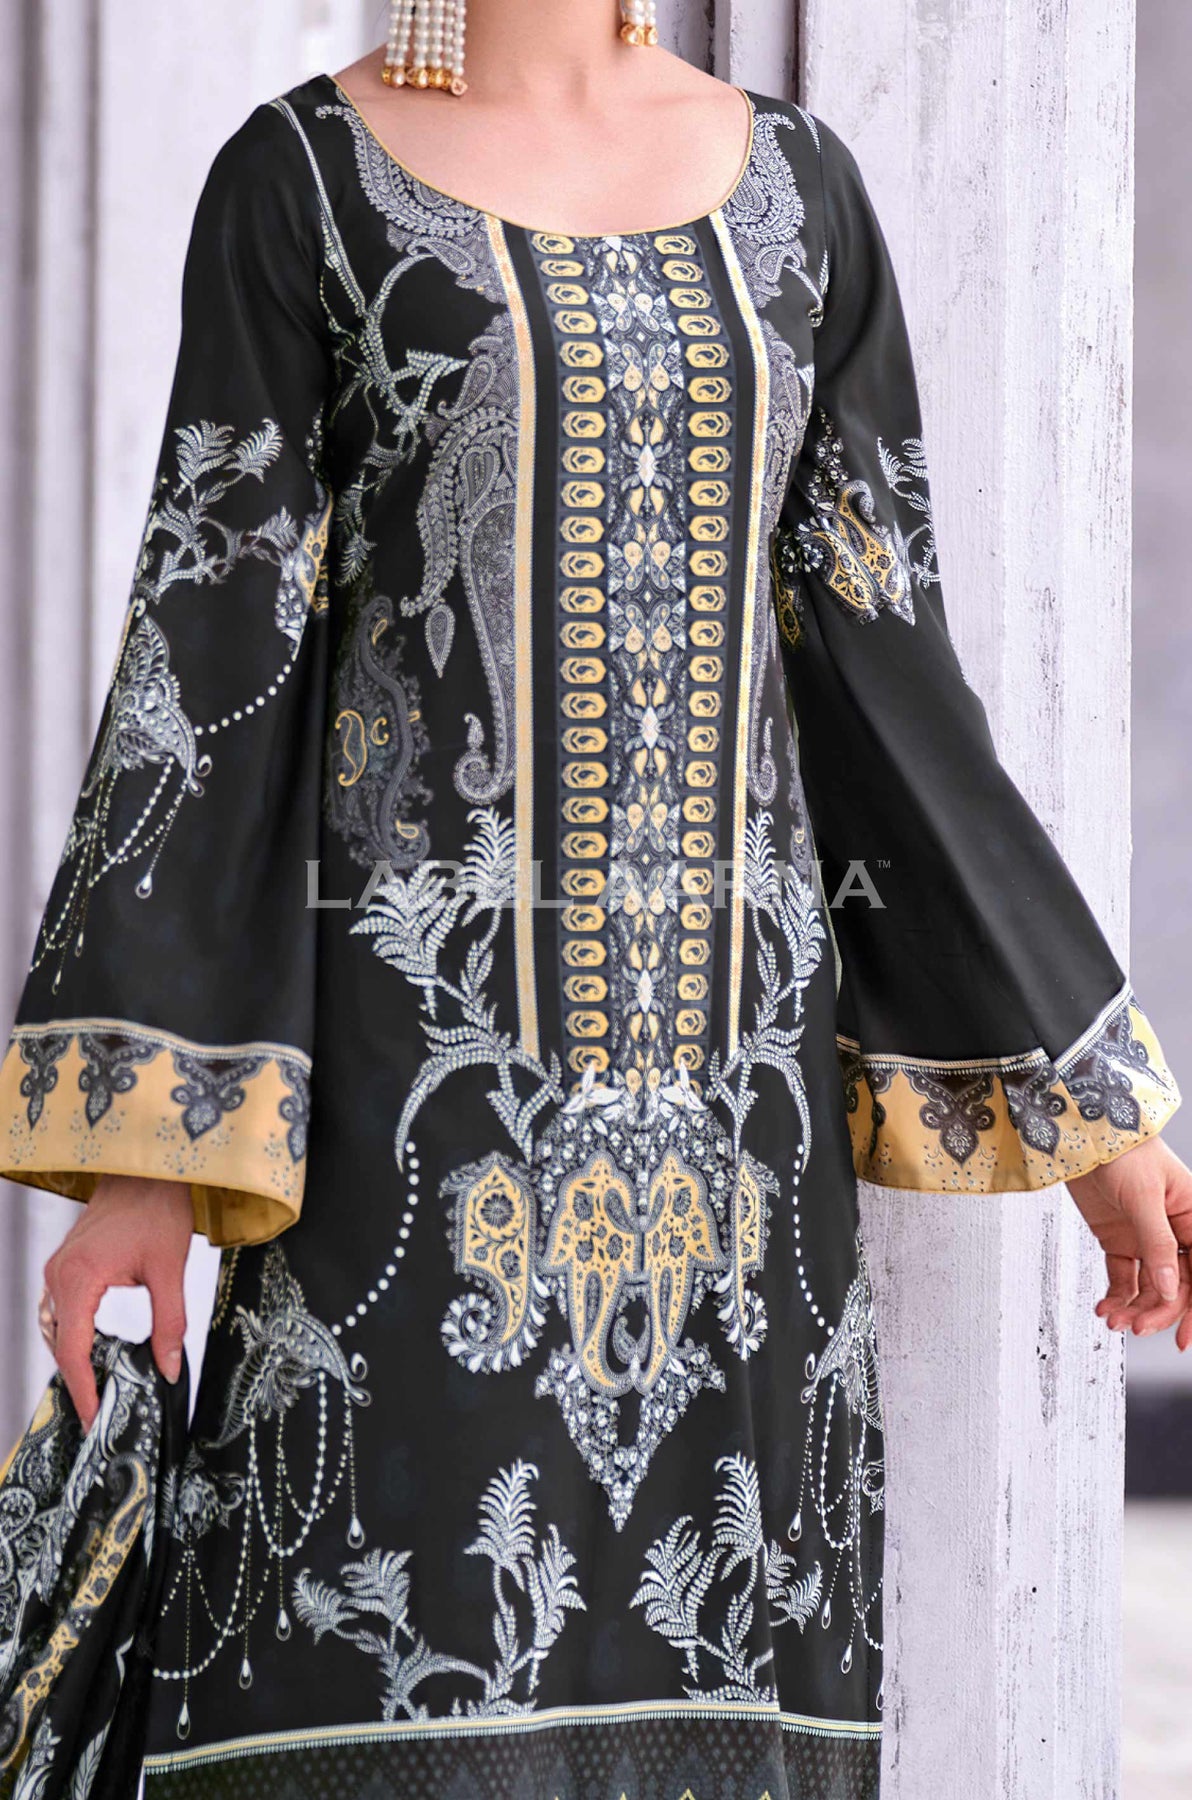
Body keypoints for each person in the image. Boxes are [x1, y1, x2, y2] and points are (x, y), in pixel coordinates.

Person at [1, 4, 1188, 1796]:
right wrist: (144, 1165)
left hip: (737, 1184)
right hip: (410, 1154)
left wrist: (1089, 1107)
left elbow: (888, 678)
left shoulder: (803, 198)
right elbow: (218, 643)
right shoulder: (303, 183)